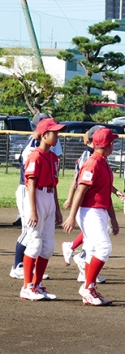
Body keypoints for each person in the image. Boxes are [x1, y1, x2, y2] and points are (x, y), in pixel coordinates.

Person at [63, 128, 119, 306]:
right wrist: (72, 216)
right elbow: (81, 190)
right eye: (113, 142)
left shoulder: (103, 162)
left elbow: (105, 194)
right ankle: (87, 287)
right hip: (89, 211)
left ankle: (90, 288)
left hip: (99, 211)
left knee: (94, 250)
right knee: (104, 247)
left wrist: (114, 218)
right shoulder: (92, 163)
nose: (114, 145)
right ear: (108, 145)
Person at [19, 118, 65, 301]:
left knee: (48, 245)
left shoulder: (53, 157)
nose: (57, 135)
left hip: (49, 197)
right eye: (54, 132)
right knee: (34, 242)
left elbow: (53, 185)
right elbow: (31, 183)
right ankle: (27, 286)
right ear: (44, 135)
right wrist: (32, 210)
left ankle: (37, 285)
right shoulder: (35, 156)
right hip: (36, 196)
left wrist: (58, 209)